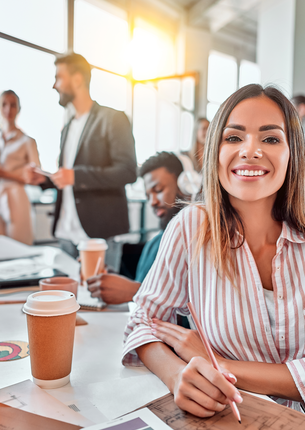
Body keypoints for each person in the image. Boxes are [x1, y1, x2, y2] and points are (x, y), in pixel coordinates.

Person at [122, 84, 305, 430]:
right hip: (239, 418)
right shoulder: (191, 228)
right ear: (214, 153)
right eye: (233, 138)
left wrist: (217, 364)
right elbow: (143, 322)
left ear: (292, 154)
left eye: (270, 139)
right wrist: (177, 375)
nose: (250, 151)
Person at [24, 53, 137, 265]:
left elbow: (128, 171)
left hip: (99, 233)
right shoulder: (67, 128)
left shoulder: (113, 119)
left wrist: (76, 176)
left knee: (100, 298)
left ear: (77, 79)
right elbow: (67, 178)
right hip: (65, 232)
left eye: (59, 77)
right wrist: (45, 180)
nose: (54, 85)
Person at [86, 152, 190, 304]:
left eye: (159, 190)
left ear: (184, 185)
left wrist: (135, 291)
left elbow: (196, 311)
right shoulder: (153, 244)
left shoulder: (198, 244)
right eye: (148, 196)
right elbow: (141, 285)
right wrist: (113, 282)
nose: (152, 202)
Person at [0, 90, 41, 245]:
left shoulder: (27, 141)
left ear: (18, 109)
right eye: (4, 104)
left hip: (16, 198)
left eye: (13, 105)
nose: (8, 109)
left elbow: (37, 177)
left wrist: (5, 174)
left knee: (19, 246)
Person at [175, 118, 209, 198]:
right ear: (196, 131)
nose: (207, 132)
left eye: (209, 128)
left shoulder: (214, 156)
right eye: (204, 128)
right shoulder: (185, 156)